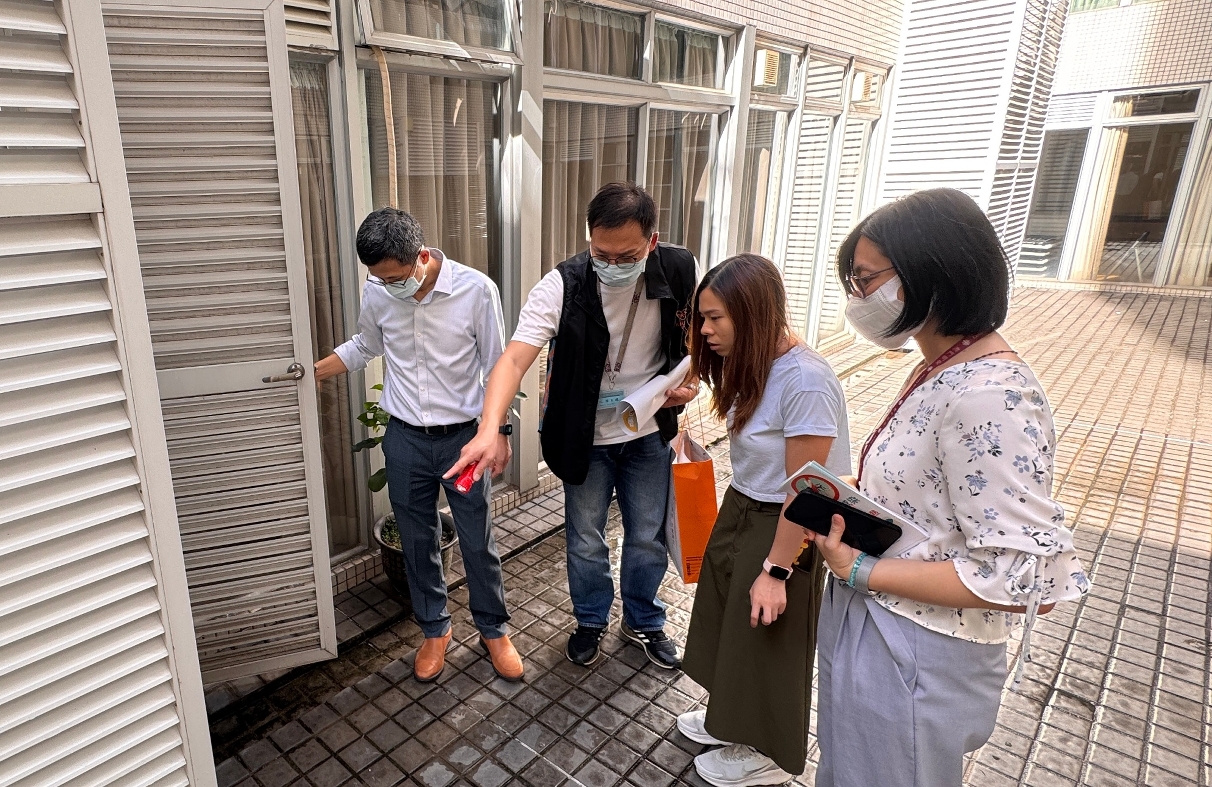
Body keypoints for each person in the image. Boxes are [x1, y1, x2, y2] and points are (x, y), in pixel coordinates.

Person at [808, 188, 1091, 787]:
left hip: (917, 643)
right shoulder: (941, 363)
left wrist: (860, 569)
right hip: (881, 620)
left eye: (866, 280)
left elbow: (1018, 577)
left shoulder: (988, 395)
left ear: (932, 274)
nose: (856, 298)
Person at [446, 182, 699, 669]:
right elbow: (513, 359)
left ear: (652, 241)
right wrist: (489, 427)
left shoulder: (679, 267)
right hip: (585, 437)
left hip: (649, 430)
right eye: (601, 254)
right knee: (585, 537)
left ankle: (644, 620)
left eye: (627, 257)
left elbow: (697, 338)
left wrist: (691, 382)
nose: (613, 265)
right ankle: (590, 620)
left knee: (647, 535)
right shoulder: (563, 284)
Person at [314, 207, 523, 683]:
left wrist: (500, 433)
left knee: (477, 538)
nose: (387, 286)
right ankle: (435, 629)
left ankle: (494, 629)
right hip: (405, 439)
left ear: (422, 256)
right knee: (416, 539)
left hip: (463, 441)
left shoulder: (476, 290)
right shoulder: (378, 290)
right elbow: (365, 345)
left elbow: (498, 366)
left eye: (394, 277)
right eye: (379, 278)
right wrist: (313, 373)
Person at [678, 255, 851, 786]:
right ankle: (730, 717)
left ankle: (767, 752)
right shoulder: (754, 360)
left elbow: (808, 490)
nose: (704, 331)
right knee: (728, 613)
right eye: (701, 318)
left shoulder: (806, 380)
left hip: (787, 519)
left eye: (715, 318)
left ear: (752, 314)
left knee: (767, 629)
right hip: (744, 502)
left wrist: (777, 570)